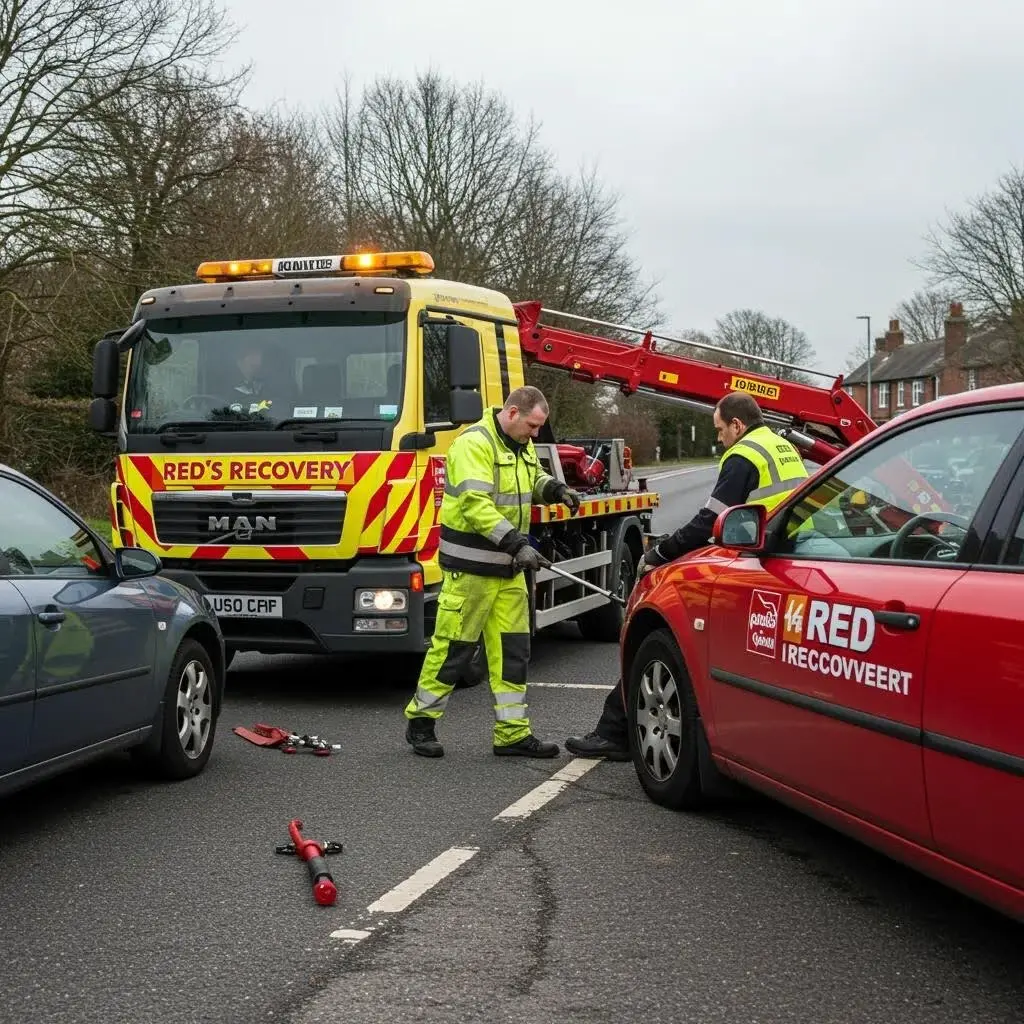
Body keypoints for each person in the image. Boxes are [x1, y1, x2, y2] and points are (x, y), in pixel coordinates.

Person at [565, 392, 809, 760]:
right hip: (786, 557)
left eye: (721, 430)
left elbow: (710, 520)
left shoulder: (744, 454)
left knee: (667, 636)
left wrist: (659, 554)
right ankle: (616, 727)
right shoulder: (779, 446)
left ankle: (616, 731)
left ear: (738, 425)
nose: (719, 438)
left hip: (754, 559)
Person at [404, 385, 582, 758]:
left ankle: (512, 734)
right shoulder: (474, 444)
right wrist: (518, 544)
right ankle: (421, 722)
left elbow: (530, 480)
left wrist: (555, 489)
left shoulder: (520, 443)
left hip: (508, 570)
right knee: (453, 649)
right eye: (533, 426)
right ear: (513, 413)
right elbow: (475, 505)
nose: (536, 434)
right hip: (471, 570)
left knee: (513, 651)